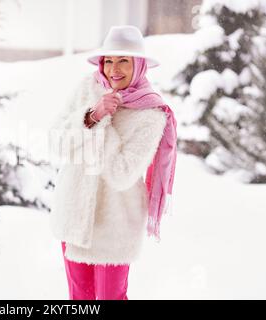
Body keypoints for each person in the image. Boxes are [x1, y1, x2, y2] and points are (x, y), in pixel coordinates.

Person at [49, 25, 178, 300]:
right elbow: (57, 143)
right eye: (108, 60)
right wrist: (91, 116)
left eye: (123, 61)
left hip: (115, 224)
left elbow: (121, 172)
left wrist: (102, 123)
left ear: (139, 65)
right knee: (79, 300)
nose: (113, 69)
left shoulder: (152, 114)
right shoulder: (88, 88)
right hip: (75, 216)